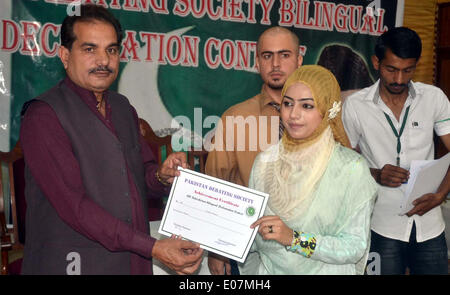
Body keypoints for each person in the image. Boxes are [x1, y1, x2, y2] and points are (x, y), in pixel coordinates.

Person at [19, 4, 203, 275]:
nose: (103, 60)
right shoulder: (43, 116)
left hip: (131, 261)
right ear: (65, 55)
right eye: (89, 49)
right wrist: (152, 247)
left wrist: (162, 176)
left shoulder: (122, 108)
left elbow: (139, 178)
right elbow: (75, 207)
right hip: (74, 263)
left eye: (112, 50)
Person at [238, 65, 378, 275]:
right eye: (287, 104)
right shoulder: (265, 163)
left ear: (327, 110)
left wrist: (295, 239)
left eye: (307, 106)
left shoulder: (350, 169)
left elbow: (354, 247)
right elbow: (253, 232)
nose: (293, 114)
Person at [342, 27, 450, 275]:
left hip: (430, 224)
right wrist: (375, 174)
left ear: (416, 65)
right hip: (380, 225)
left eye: (408, 70)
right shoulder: (356, 106)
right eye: (391, 69)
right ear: (376, 62)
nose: (399, 79)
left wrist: (440, 194)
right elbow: (341, 164)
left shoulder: (433, 98)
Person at [205, 26, 303, 274]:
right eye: (267, 56)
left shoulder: (322, 117)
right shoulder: (236, 117)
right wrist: (216, 249)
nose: (276, 64)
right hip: (249, 246)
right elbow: (216, 186)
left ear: (299, 59)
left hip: (306, 245)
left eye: (285, 55)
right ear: (257, 61)